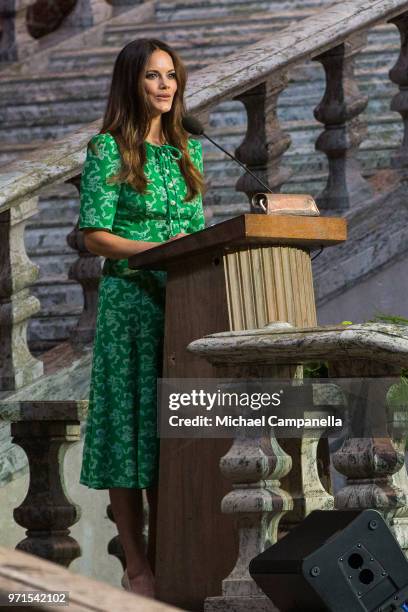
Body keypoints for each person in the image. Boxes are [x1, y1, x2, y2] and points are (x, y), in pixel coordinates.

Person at [77, 38, 206, 599]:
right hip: (131, 306)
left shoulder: (189, 152)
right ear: (132, 82)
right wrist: (157, 248)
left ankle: (172, 551)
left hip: (184, 302)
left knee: (173, 430)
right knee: (129, 433)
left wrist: (190, 248)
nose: (165, 85)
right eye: (154, 76)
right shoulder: (109, 149)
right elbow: (94, 235)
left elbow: (197, 228)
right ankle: (137, 563)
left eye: (171, 75)